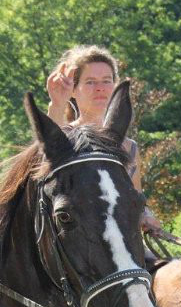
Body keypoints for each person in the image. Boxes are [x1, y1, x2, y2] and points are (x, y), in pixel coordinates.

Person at [45, 45, 162, 231]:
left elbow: (136, 199)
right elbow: (45, 152)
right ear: (73, 90)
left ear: (115, 86)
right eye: (90, 82)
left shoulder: (129, 147)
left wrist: (146, 215)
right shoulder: (64, 136)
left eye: (107, 81)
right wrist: (57, 105)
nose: (100, 88)